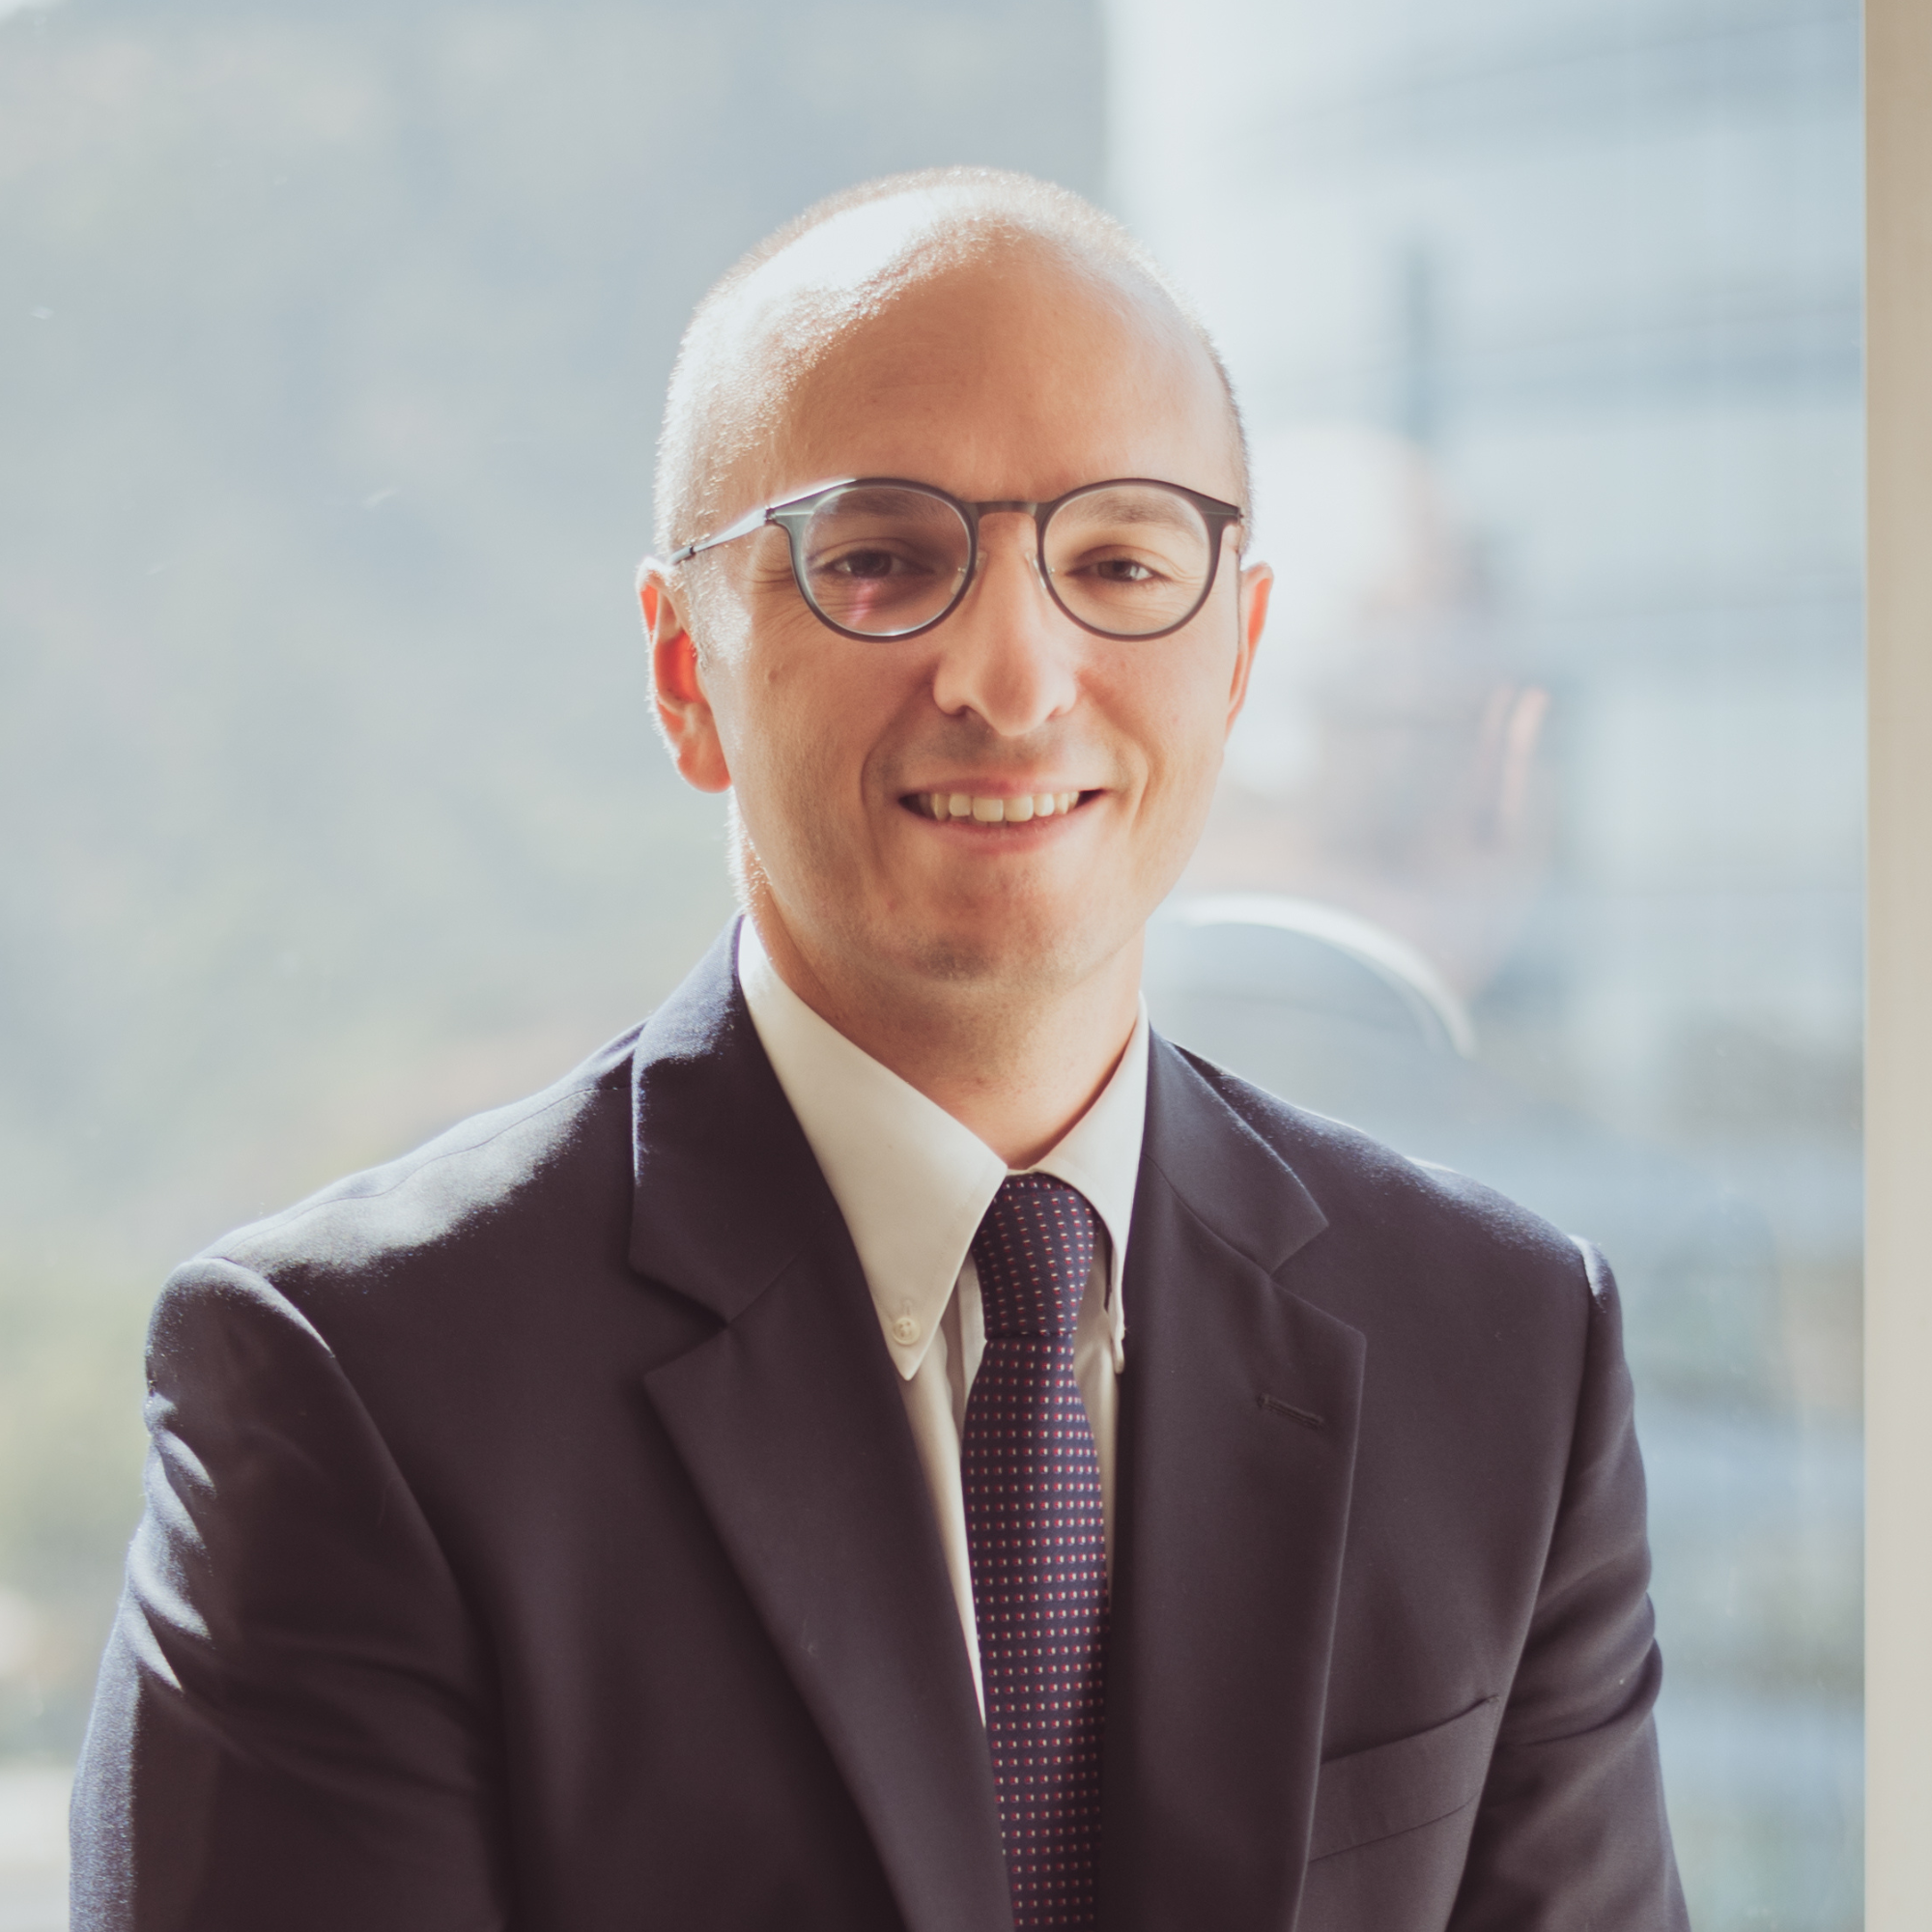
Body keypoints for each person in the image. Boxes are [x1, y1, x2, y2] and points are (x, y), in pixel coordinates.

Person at [71, 169, 1688, 1931]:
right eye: (881, 562)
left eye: (1120, 562)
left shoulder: (1505, 1351)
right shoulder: (355, 1385)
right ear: (684, 671)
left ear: (1237, 653)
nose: (1014, 675)